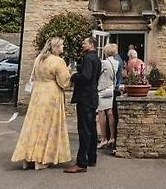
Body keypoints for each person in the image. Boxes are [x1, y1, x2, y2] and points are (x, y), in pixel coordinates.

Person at [11, 37, 71, 170]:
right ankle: (42, 159)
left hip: (37, 94)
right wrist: (69, 71)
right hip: (51, 94)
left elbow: (33, 76)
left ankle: (27, 158)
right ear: (55, 47)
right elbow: (64, 82)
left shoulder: (39, 59)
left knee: (33, 125)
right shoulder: (58, 61)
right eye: (61, 45)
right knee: (48, 126)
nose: (63, 48)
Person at [64, 37, 100, 174]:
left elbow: (86, 76)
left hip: (85, 98)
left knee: (84, 130)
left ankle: (81, 163)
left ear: (91, 44)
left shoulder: (89, 58)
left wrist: (73, 76)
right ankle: (92, 158)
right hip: (92, 97)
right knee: (91, 129)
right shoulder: (96, 58)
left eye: (84, 42)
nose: (82, 44)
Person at [97, 43, 119, 149]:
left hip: (102, 89)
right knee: (110, 113)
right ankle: (112, 137)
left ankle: (104, 138)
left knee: (101, 114)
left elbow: (98, 74)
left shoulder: (104, 63)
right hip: (111, 88)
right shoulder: (116, 63)